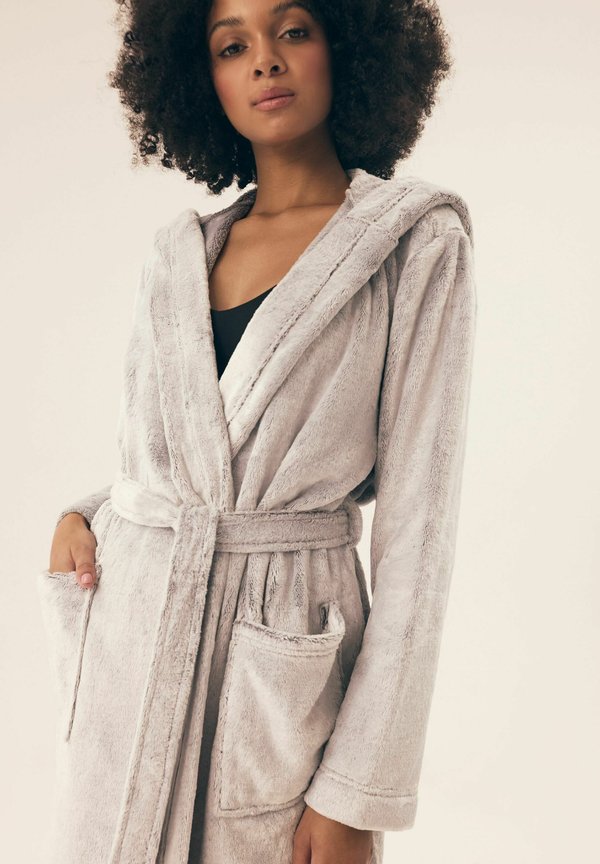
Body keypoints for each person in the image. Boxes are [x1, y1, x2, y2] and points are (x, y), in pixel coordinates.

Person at [39, 1, 477, 863]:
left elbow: (419, 538)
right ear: (200, 79)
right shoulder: (176, 254)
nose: (265, 61)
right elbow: (163, 459)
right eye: (231, 45)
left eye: (293, 31)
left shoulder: (415, 244)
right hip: (129, 643)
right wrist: (85, 513)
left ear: (347, 46)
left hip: (276, 673)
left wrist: (355, 792)